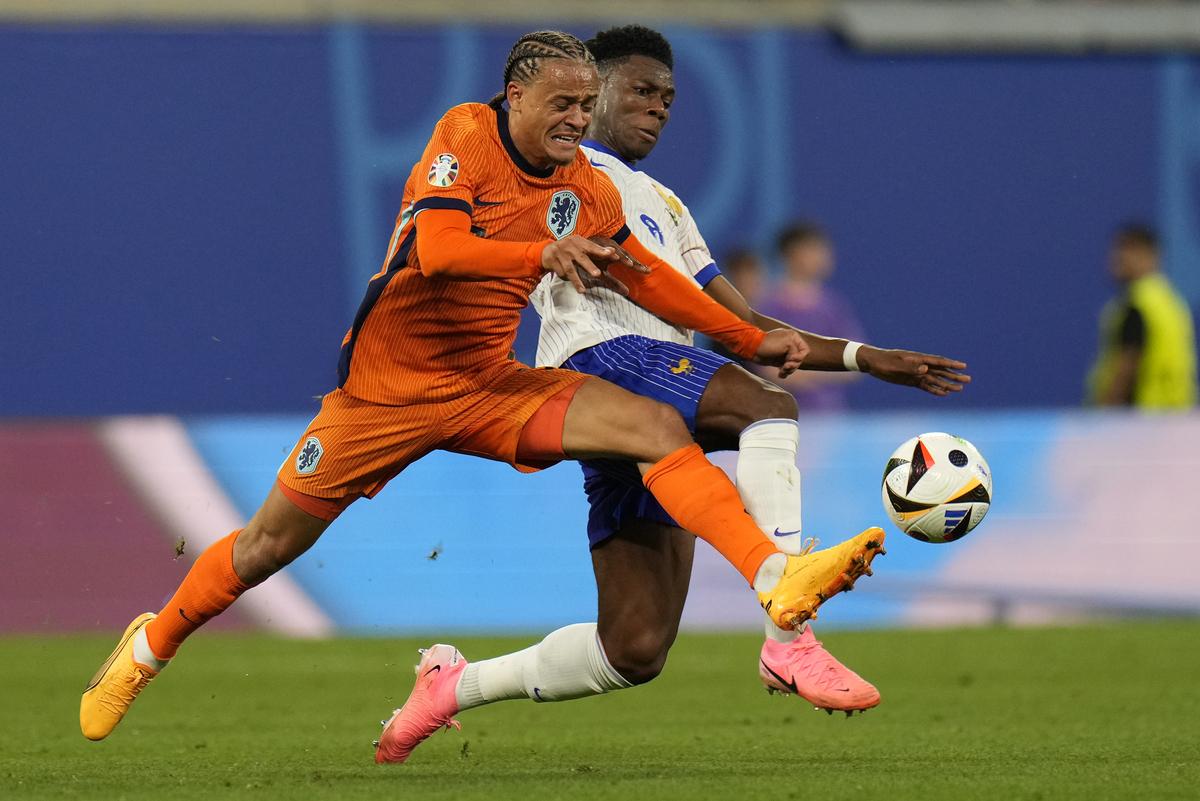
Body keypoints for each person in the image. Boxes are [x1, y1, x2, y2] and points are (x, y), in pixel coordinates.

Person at [80, 29, 888, 748]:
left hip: (486, 385)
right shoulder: (465, 134)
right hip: (384, 396)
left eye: (586, 105)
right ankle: (149, 647)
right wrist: (539, 253)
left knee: (653, 428)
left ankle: (774, 578)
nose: (576, 120)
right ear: (515, 96)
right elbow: (437, 248)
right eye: (561, 104)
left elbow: (645, 278)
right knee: (265, 547)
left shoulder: (587, 186)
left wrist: (747, 337)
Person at [373, 25, 971, 765]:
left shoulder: (668, 206)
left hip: (654, 395)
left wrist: (864, 358)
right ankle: (790, 636)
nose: (658, 107)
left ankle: (449, 688)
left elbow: (739, 323)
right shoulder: (564, 172)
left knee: (633, 647)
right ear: (589, 95)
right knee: (766, 409)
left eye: (668, 98)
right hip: (600, 357)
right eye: (641, 90)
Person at [757, 222, 867, 411]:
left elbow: (858, 362)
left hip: (830, 415)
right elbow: (764, 368)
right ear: (791, 254)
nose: (823, 257)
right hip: (781, 413)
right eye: (814, 250)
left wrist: (806, 374)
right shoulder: (768, 307)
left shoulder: (833, 306)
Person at [1086, 223, 1197, 409]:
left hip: (1142, 418)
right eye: (1118, 249)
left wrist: (1102, 414)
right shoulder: (1170, 302)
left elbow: (1125, 369)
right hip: (1177, 416)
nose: (1119, 257)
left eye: (1130, 249)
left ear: (1152, 256)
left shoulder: (1138, 306)